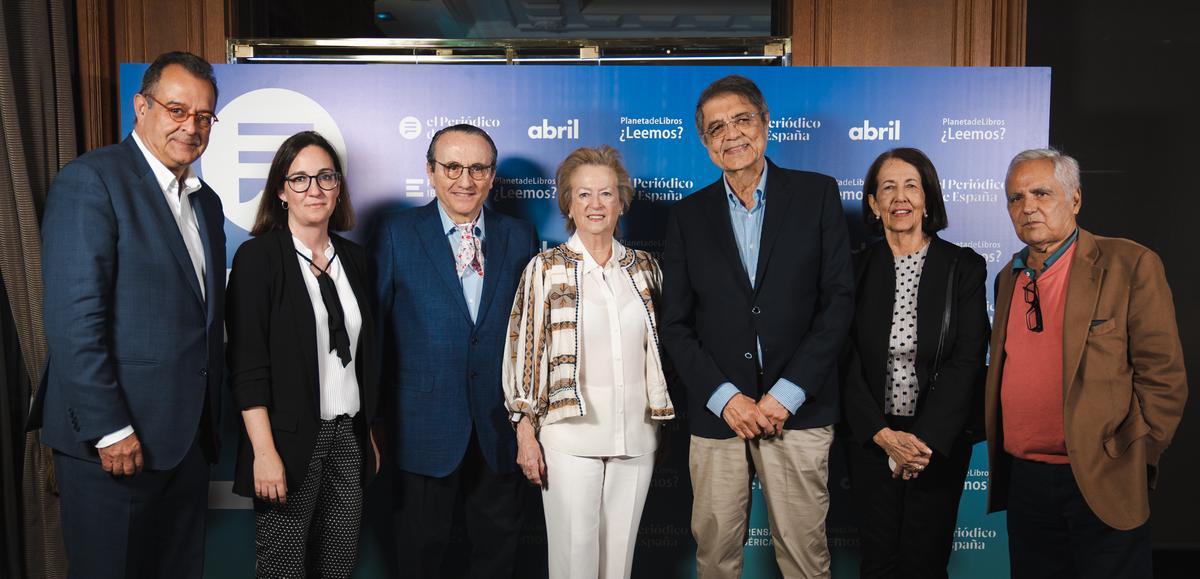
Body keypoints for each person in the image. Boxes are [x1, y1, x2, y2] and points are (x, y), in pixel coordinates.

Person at [29, 51, 224, 578]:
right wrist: (110, 429)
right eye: (177, 110)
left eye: (204, 116)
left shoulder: (205, 204)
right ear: (141, 107)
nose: (191, 126)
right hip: (115, 444)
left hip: (184, 444)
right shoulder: (92, 181)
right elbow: (75, 321)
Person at [660, 74, 855, 579]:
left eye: (742, 120)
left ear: (765, 125)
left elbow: (837, 305)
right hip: (718, 416)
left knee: (805, 559)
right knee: (716, 559)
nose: (732, 134)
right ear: (705, 144)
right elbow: (676, 325)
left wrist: (784, 395)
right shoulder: (686, 216)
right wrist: (726, 398)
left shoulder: (817, 195)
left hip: (800, 410)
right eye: (716, 127)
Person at [985, 148, 1188, 578]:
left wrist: (1135, 456)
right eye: (1015, 198)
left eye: (1041, 192)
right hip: (1025, 482)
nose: (1028, 207)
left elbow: (1164, 377)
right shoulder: (1009, 277)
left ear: (1074, 199)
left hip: (1102, 475)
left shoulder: (1129, 264)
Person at [373, 124, 539, 578]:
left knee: (497, 557)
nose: (464, 179)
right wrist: (376, 420)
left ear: (491, 175)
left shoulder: (519, 235)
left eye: (477, 168)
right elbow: (377, 336)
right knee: (419, 555)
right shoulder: (397, 233)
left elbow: (530, 334)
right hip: (421, 428)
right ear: (430, 171)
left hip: (498, 427)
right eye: (451, 167)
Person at [503, 146, 675, 578]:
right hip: (569, 439)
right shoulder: (545, 268)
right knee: (573, 560)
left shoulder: (646, 269)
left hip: (636, 437)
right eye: (583, 194)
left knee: (620, 563)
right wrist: (524, 429)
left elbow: (661, 352)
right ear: (568, 203)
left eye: (605, 194)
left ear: (621, 202)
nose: (595, 204)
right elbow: (524, 352)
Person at [225, 131, 380, 578]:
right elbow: (247, 367)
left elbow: (366, 357)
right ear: (280, 190)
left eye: (325, 177)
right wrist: (263, 452)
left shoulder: (355, 259)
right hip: (287, 442)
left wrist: (367, 432)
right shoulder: (259, 259)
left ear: (338, 187)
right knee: (284, 567)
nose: (314, 189)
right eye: (300, 179)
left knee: (338, 565)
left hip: (348, 438)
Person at [841, 148, 989, 578]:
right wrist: (883, 436)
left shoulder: (963, 266)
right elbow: (843, 359)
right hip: (873, 437)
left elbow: (967, 358)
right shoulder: (854, 269)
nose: (899, 197)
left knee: (925, 560)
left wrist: (920, 444)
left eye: (911, 186)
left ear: (928, 199)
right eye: (887, 187)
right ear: (872, 203)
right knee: (878, 559)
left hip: (937, 440)